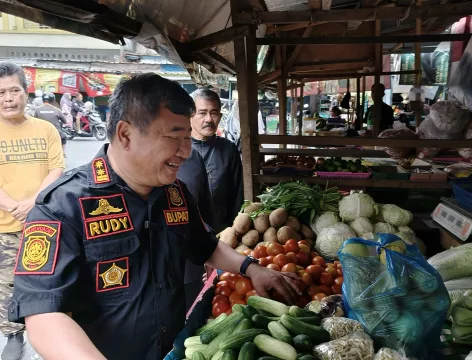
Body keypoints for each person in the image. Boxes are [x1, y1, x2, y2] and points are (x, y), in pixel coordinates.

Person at [8, 73, 300, 360]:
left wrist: (253, 269)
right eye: (174, 135)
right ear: (125, 135)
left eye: (188, 137)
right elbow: (44, 315)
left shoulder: (175, 194)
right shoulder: (62, 206)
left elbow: (205, 246)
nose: (185, 151)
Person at [0, 62, 64, 360]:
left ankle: (47, 333)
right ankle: (13, 335)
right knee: (7, 284)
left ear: (26, 92)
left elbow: (57, 168)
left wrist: (32, 202)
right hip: (4, 227)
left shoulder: (46, 129)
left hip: (42, 223)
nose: (8, 98)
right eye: (1, 92)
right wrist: (13, 205)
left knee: (44, 282)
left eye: (14, 90)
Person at [190, 89, 243, 232]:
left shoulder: (229, 150)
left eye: (213, 113)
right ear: (190, 115)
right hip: (186, 231)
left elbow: (237, 196)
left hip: (221, 232)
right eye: (202, 113)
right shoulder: (178, 148)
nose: (208, 119)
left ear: (220, 116)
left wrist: (233, 231)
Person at [177, 148, 215, 311]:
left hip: (191, 270)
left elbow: (205, 212)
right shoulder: (92, 192)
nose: (184, 145)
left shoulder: (192, 156)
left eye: (187, 136)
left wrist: (210, 255)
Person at [34, 93, 68, 157]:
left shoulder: (37, 109)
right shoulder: (57, 110)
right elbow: (65, 121)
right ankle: (63, 153)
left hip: (41, 133)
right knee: (64, 137)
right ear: (53, 100)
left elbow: (34, 121)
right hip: (55, 132)